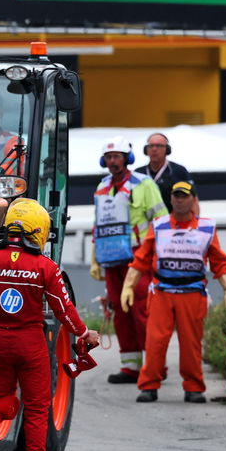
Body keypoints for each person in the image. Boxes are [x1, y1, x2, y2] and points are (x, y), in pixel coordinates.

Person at [0, 198, 99, 451]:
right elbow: (64, 309)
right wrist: (84, 333)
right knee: (37, 408)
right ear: (39, 231)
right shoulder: (45, 267)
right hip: (31, 344)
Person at [122, 181, 226, 403]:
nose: (179, 199)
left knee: (191, 343)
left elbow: (220, 263)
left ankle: (194, 387)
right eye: (176, 195)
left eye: (184, 195)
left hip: (192, 292)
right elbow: (141, 259)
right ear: (171, 199)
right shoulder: (159, 225)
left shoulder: (206, 227)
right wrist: (128, 286)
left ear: (193, 200)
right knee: (154, 342)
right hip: (162, 291)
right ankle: (149, 386)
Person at [89, 136, 166, 384]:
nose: (113, 161)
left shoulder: (143, 184)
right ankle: (131, 368)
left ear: (127, 158)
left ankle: (155, 367)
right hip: (111, 259)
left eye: (117, 156)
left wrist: (158, 256)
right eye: (109, 157)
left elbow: (161, 221)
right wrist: (95, 259)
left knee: (142, 311)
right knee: (120, 312)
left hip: (138, 257)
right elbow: (98, 225)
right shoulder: (101, 187)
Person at [135, 132, 193, 213]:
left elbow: (193, 200)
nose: (154, 149)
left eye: (158, 146)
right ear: (146, 150)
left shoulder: (179, 171)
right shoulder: (138, 174)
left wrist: (194, 223)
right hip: (145, 223)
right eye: (151, 146)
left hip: (171, 223)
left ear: (167, 149)